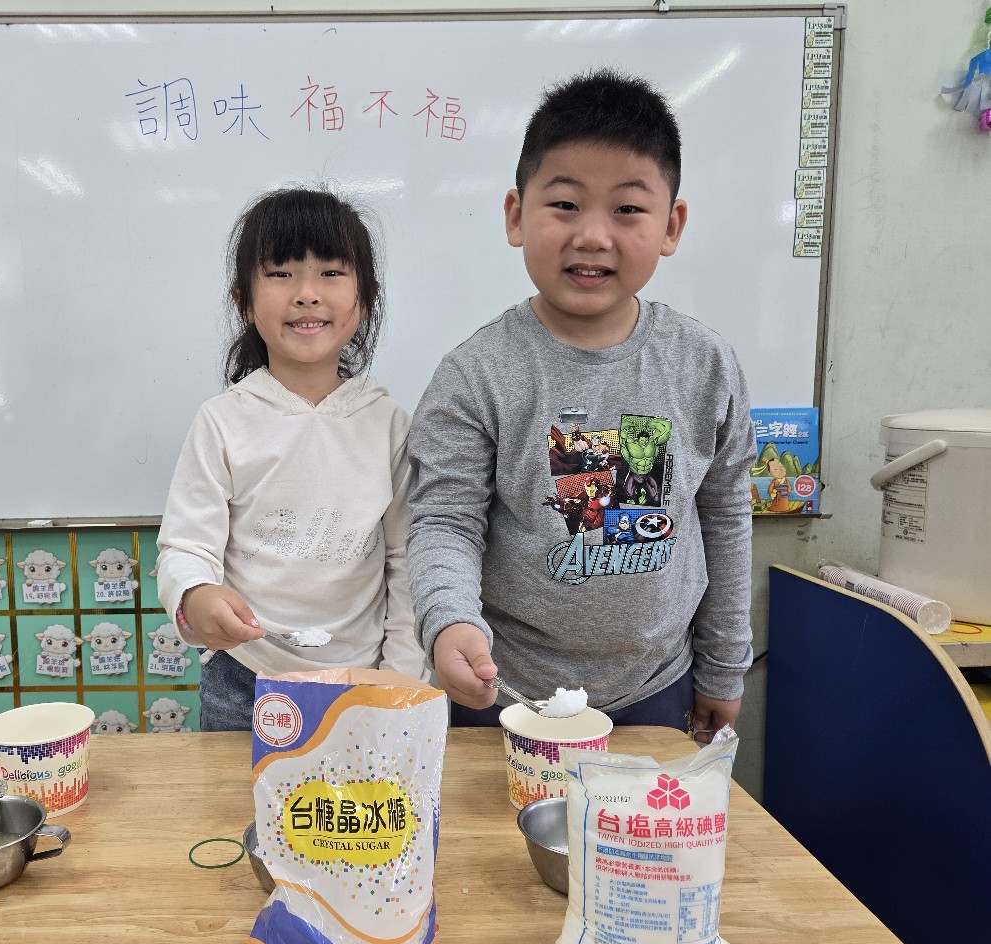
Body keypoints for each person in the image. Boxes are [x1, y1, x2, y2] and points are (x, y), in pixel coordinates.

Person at [406, 69, 756, 744]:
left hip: (657, 686)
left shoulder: (705, 364)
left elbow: (724, 518)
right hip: (503, 689)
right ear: (516, 215)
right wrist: (449, 621)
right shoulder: (474, 375)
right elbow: (444, 521)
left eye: (627, 209)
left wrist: (723, 667)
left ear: (670, 226)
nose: (593, 235)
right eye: (565, 204)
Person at [156, 187, 427, 731]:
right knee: (233, 792)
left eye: (331, 273)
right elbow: (186, 546)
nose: (306, 294)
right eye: (280, 273)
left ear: (366, 299)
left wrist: (402, 675)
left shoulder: (389, 425)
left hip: (366, 678)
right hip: (245, 679)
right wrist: (196, 594)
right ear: (244, 301)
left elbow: (406, 563)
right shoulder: (223, 421)